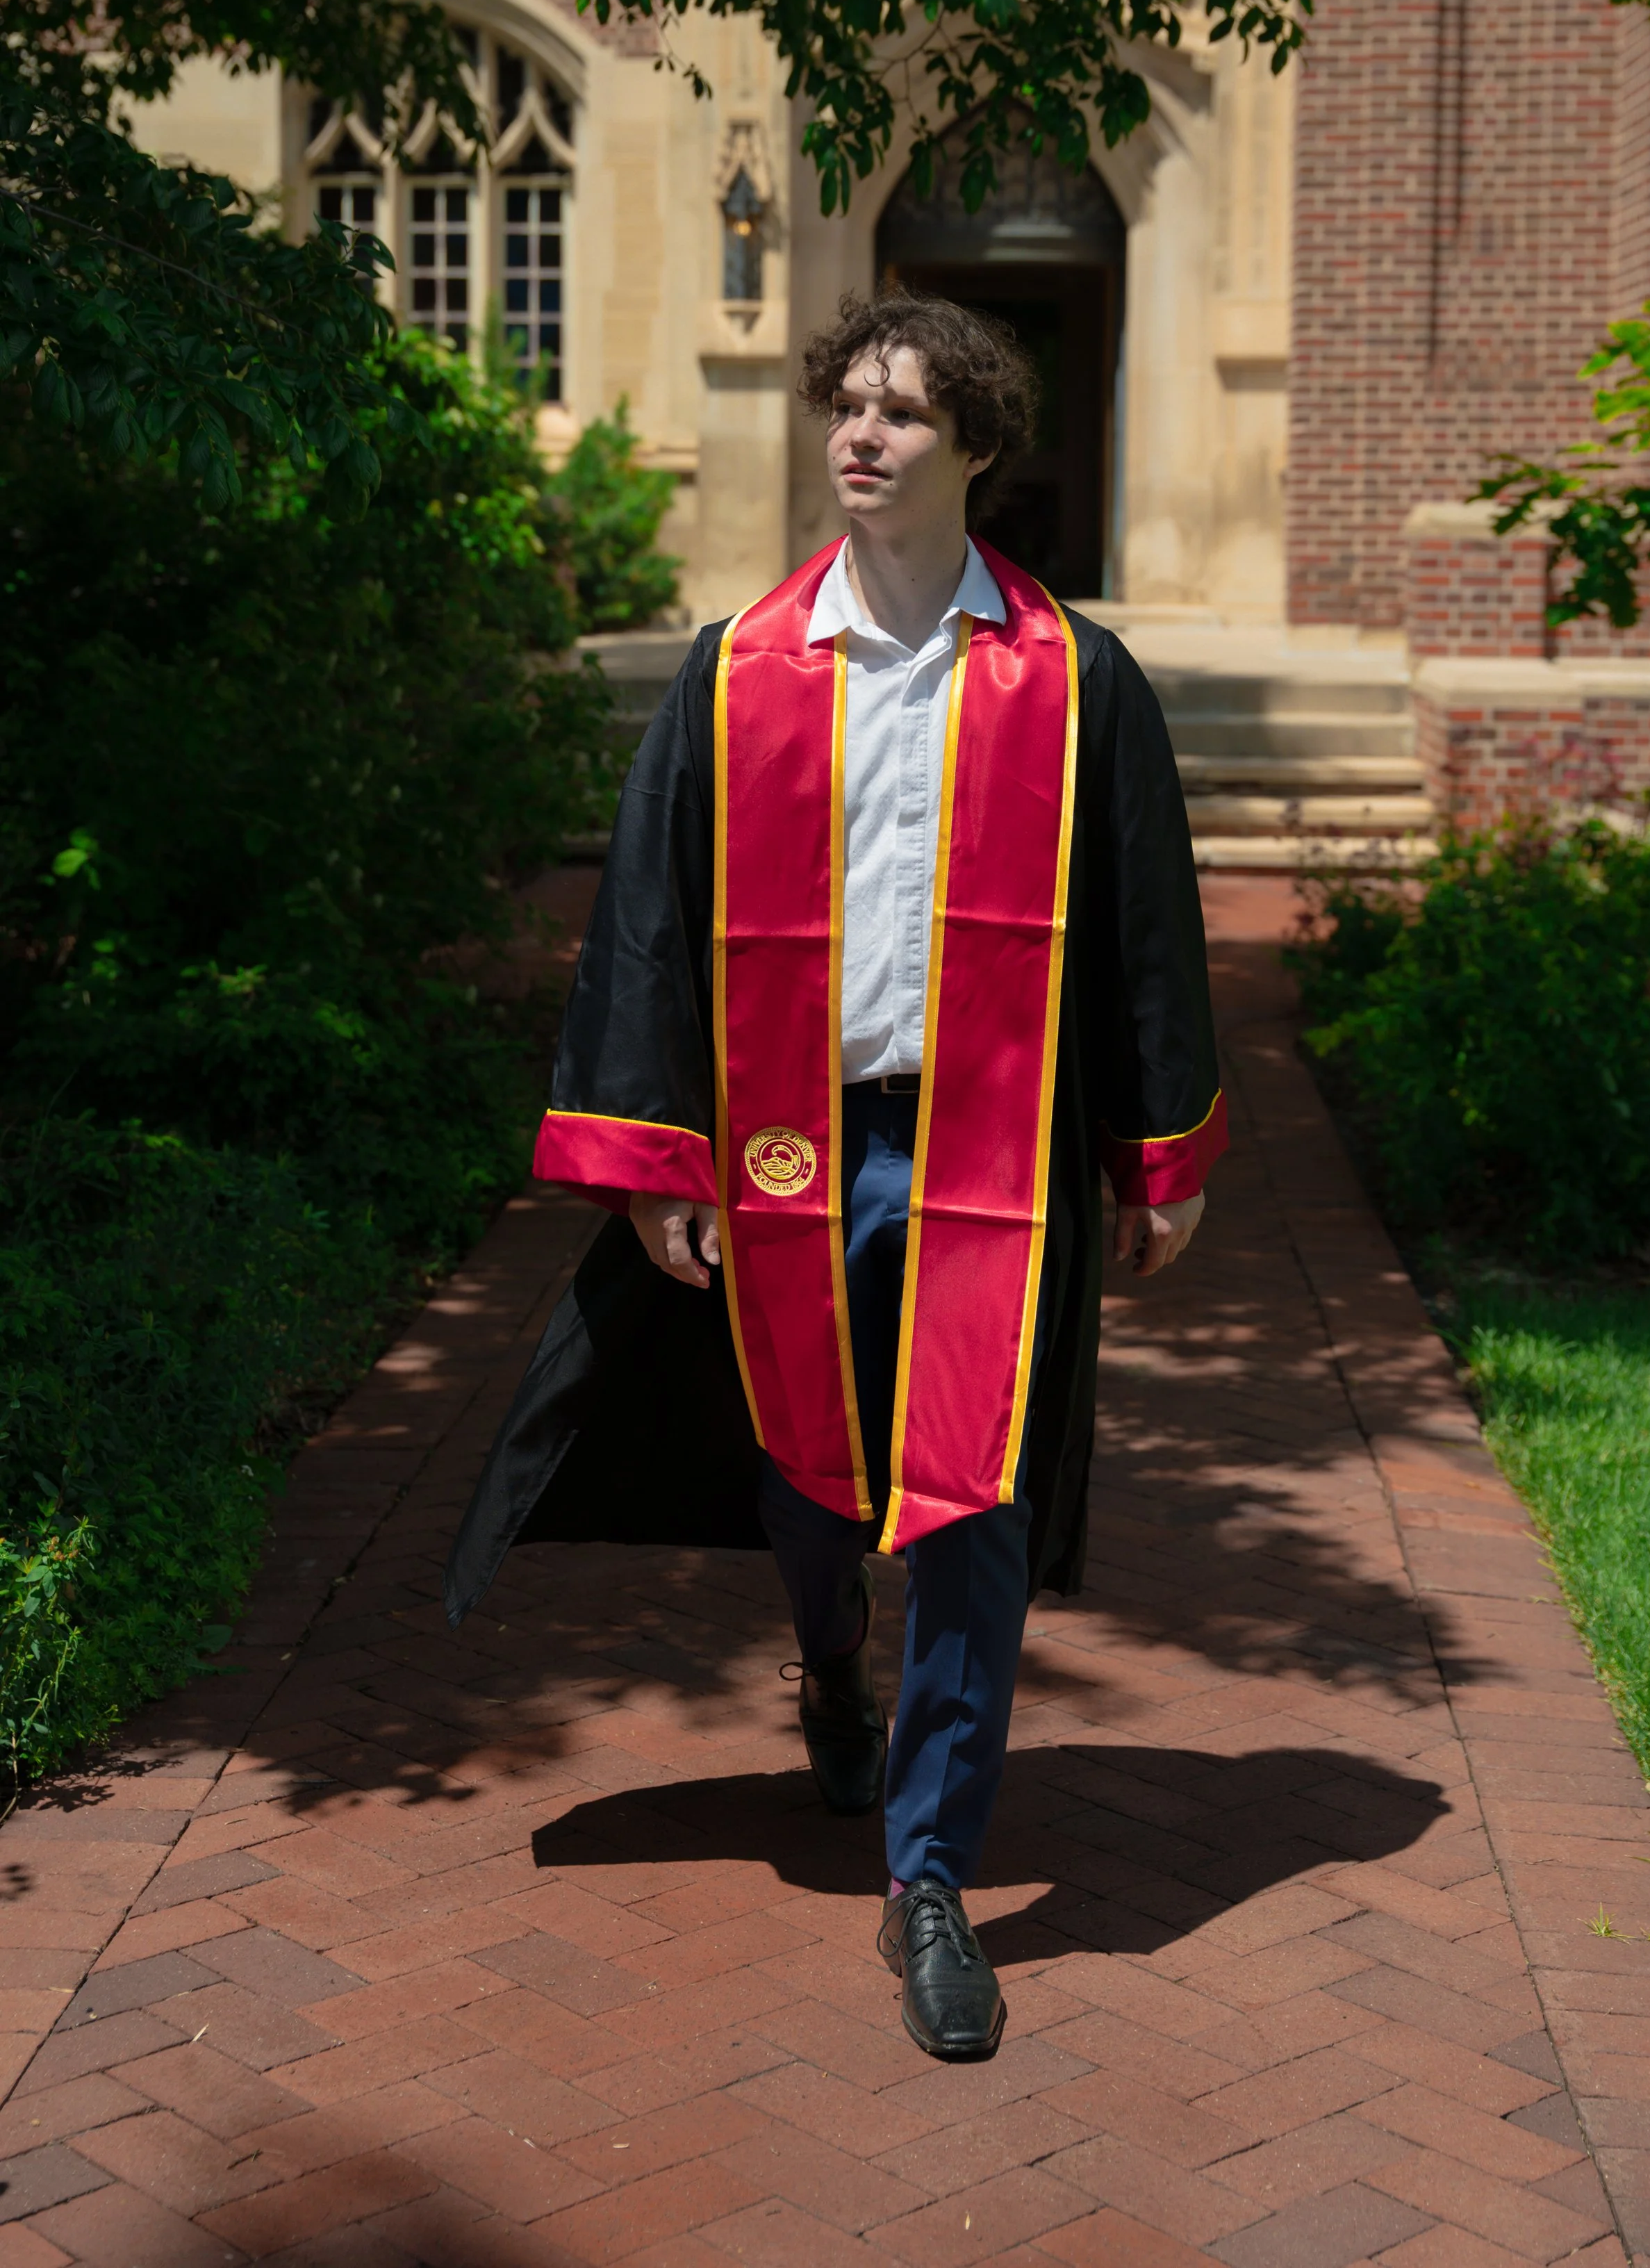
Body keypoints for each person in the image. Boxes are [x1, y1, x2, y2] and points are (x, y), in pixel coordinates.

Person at [446, 289, 1224, 2061]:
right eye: (846, 406)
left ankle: (930, 1873)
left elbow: (1144, 932)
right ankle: (828, 1661)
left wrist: (1158, 1150)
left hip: (989, 1156)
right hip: (792, 1143)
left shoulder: (1069, 676)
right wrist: (657, 1155)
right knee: (806, 1469)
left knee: (971, 1492)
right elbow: (644, 929)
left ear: (978, 452)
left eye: (902, 414)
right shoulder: (737, 670)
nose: (861, 436)